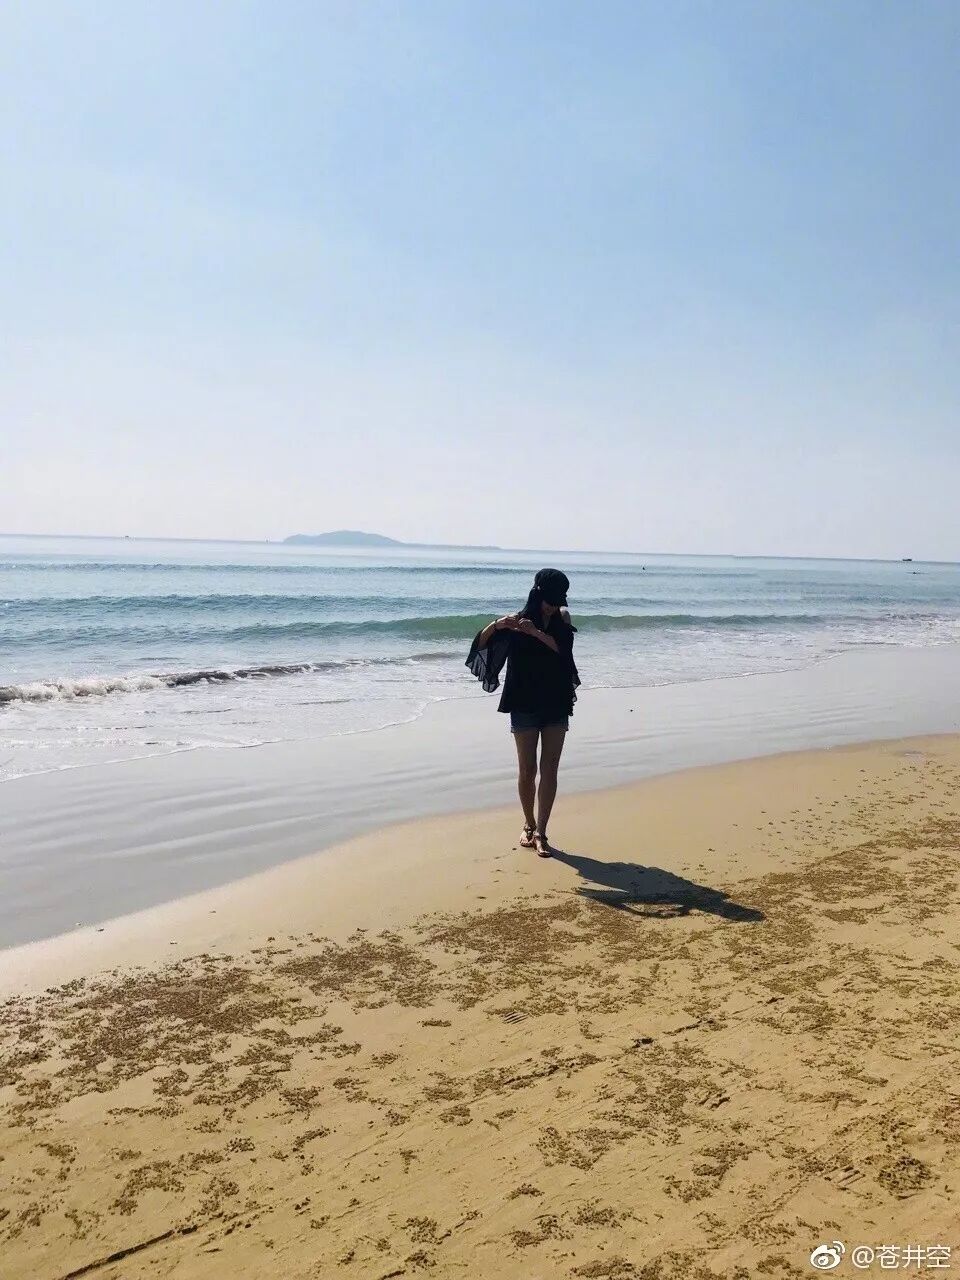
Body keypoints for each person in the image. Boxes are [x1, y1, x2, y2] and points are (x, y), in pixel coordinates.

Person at [466, 568, 580, 857]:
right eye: (549, 600)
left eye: (557, 600)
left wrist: (535, 633)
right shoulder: (516, 621)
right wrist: (497, 625)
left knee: (550, 768)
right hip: (523, 701)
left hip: (555, 700)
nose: (553, 606)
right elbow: (480, 645)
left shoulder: (562, 618)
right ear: (537, 595)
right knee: (527, 769)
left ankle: (542, 832)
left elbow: (563, 650)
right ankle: (529, 825)